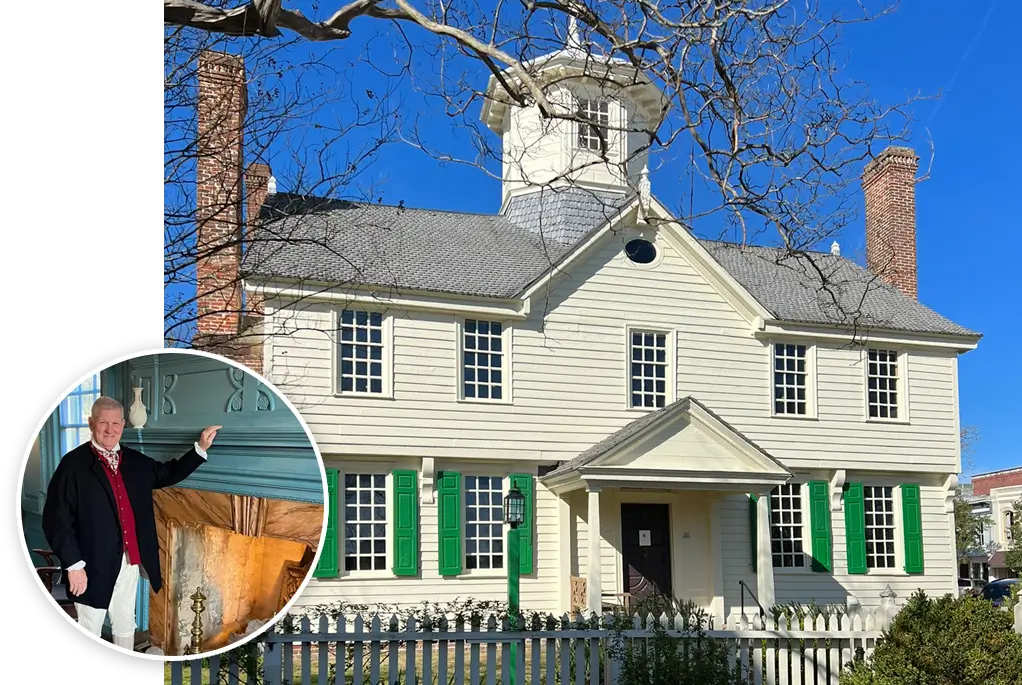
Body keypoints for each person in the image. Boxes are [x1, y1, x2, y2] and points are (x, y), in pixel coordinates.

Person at [41, 395, 222, 651]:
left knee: (126, 621)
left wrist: (200, 448)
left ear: (123, 424)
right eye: (104, 423)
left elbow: (168, 474)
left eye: (116, 423)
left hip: (129, 560)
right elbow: (56, 519)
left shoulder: (135, 461)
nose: (110, 429)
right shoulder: (72, 465)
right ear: (92, 423)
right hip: (90, 563)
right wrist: (73, 565)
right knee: (90, 625)